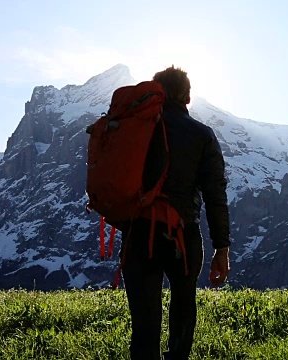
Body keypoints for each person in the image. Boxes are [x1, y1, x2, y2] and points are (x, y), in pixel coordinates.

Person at [120, 66, 231, 360]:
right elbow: (215, 195)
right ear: (188, 96)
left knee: (144, 325)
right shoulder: (202, 135)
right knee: (183, 308)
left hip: (139, 234)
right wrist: (222, 247)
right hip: (182, 234)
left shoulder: (137, 130)